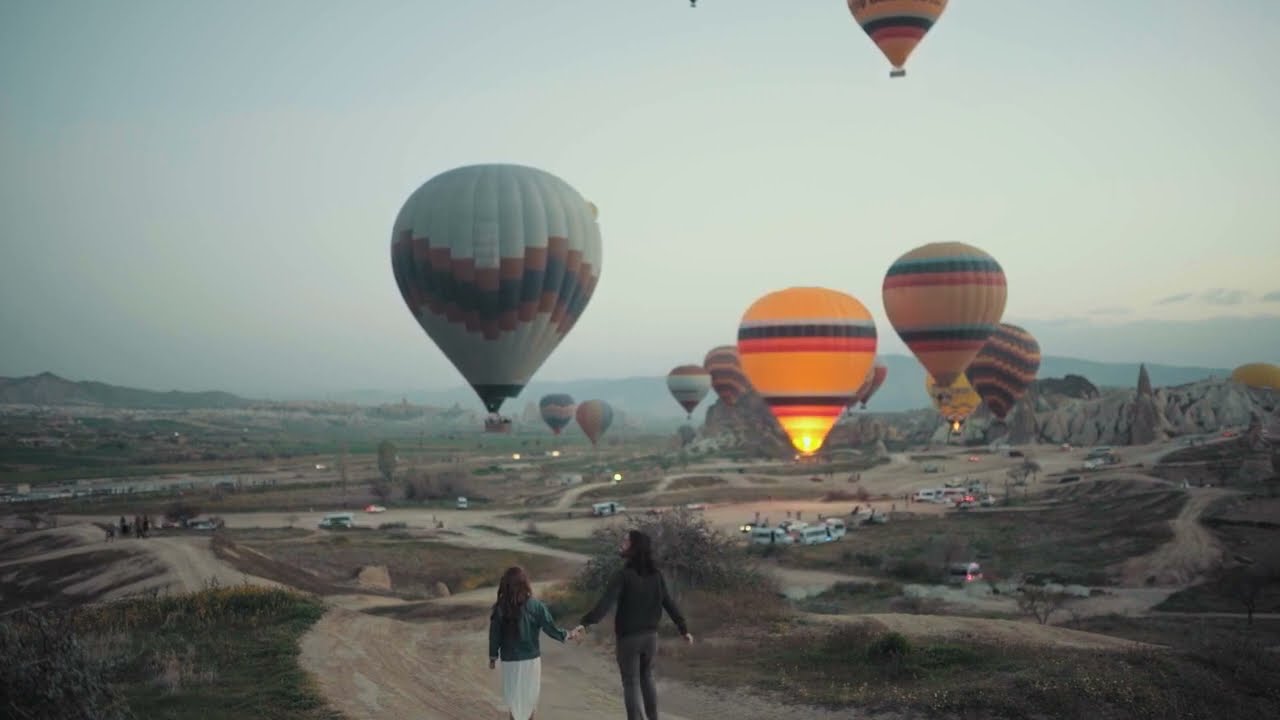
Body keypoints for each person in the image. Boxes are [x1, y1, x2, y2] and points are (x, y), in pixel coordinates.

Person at [572, 530, 693, 720]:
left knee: (631, 683)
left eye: (626, 541)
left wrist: (586, 623)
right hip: (651, 638)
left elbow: (605, 603)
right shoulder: (656, 576)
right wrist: (683, 629)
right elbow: (668, 602)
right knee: (647, 679)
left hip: (629, 639)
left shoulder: (623, 576)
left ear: (635, 547)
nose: (622, 543)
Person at [488, 566, 570, 720]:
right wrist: (566, 635)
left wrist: (493, 656)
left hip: (510, 661)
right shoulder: (536, 605)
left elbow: (494, 635)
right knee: (529, 700)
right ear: (525, 583)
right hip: (531, 660)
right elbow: (550, 627)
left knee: (515, 701)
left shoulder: (500, 607)